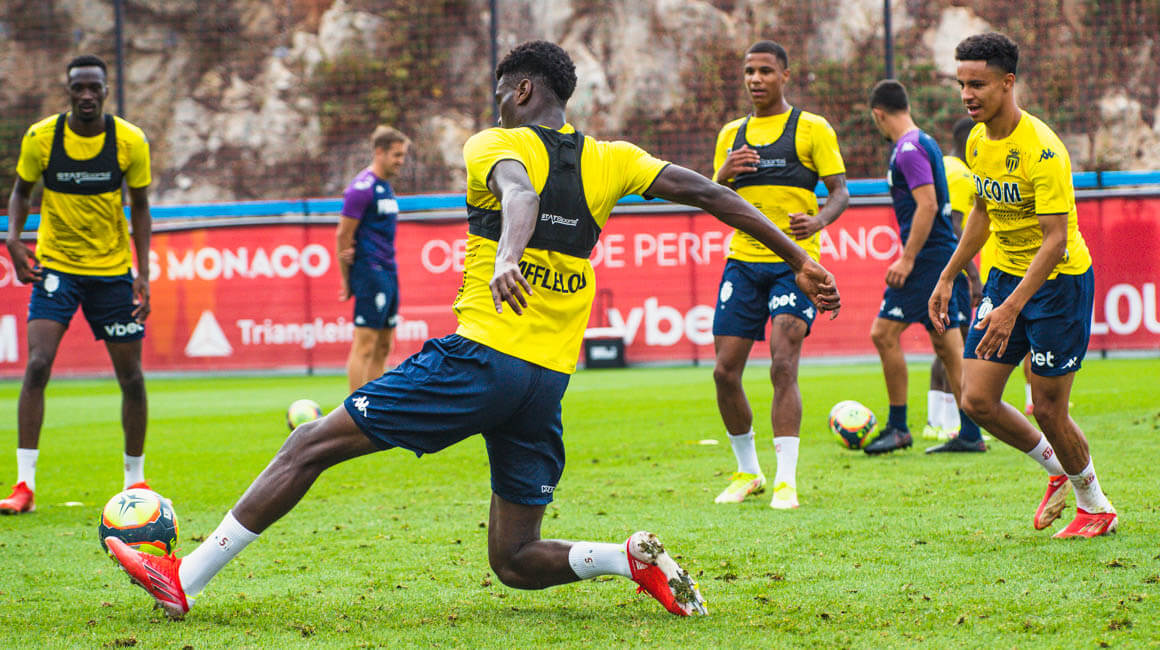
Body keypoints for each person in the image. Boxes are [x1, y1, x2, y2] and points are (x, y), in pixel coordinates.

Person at [104, 40, 841, 619]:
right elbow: (711, 194)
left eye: (499, 92)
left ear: (520, 91)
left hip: (481, 359)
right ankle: (629, 560)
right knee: (514, 560)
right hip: (544, 386)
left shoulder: (494, 143)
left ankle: (184, 577)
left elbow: (518, 194)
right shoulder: (614, 159)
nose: (496, 104)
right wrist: (800, 257)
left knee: (308, 445)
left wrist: (509, 257)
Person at [930, 32, 1116, 537]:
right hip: (1007, 275)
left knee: (1050, 409)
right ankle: (1058, 470)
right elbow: (982, 212)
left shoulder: (1043, 150)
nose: (967, 95)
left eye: (978, 84)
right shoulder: (976, 140)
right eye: (962, 84)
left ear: (1007, 82)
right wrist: (948, 274)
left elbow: (1055, 241)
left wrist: (1011, 308)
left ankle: (1095, 505)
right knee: (976, 400)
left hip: (1058, 283)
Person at [2, 55, 153, 515]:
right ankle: (24, 486)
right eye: (78, 88)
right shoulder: (41, 137)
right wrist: (13, 238)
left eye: (94, 88)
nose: (86, 95)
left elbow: (141, 206)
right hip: (57, 269)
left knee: (132, 377)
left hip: (112, 273)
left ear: (106, 90)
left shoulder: (129, 141)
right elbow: (21, 192)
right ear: (68, 91)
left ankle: (135, 482)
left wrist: (143, 272)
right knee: (37, 365)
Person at [710, 40, 849, 508]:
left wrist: (819, 221)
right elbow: (714, 197)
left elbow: (840, 192)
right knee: (724, 372)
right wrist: (723, 171)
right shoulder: (731, 134)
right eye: (750, 71)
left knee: (783, 363)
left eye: (766, 71)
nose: (756, 79)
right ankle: (748, 471)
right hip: (743, 262)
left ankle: (786, 480)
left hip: (796, 265)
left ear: (785, 75)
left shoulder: (812, 128)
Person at [861, 80, 985, 456]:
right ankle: (971, 432)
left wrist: (908, 258)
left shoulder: (908, 149)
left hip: (928, 259)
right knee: (948, 345)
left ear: (878, 114)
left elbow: (927, 205)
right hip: (939, 255)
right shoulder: (925, 141)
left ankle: (899, 427)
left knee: (884, 333)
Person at [921, 117, 984, 444]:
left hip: (933, 262)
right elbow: (956, 227)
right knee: (956, 342)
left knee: (947, 343)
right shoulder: (961, 174)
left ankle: (937, 420)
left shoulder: (944, 165)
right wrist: (972, 274)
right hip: (950, 267)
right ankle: (948, 422)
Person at [336, 126, 410, 392]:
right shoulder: (361, 189)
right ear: (380, 152)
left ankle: (374, 405)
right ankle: (354, 409)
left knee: (384, 345)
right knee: (365, 345)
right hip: (369, 271)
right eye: (396, 155)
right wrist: (347, 280)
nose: (401, 161)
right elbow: (343, 235)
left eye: (402, 155)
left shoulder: (385, 187)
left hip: (389, 271)